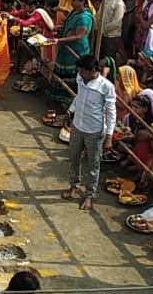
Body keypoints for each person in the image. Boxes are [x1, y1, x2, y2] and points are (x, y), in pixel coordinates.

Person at [64, 54, 116, 211]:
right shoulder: (81, 79)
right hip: (78, 124)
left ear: (93, 71)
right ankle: (74, 184)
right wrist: (70, 111)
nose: (80, 74)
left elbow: (111, 112)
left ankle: (89, 194)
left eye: (83, 72)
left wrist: (109, 136)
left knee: (93, 163)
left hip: (94, 129)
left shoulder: (106, 86)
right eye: (79, 71)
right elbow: (79, 97)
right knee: (74, 157)